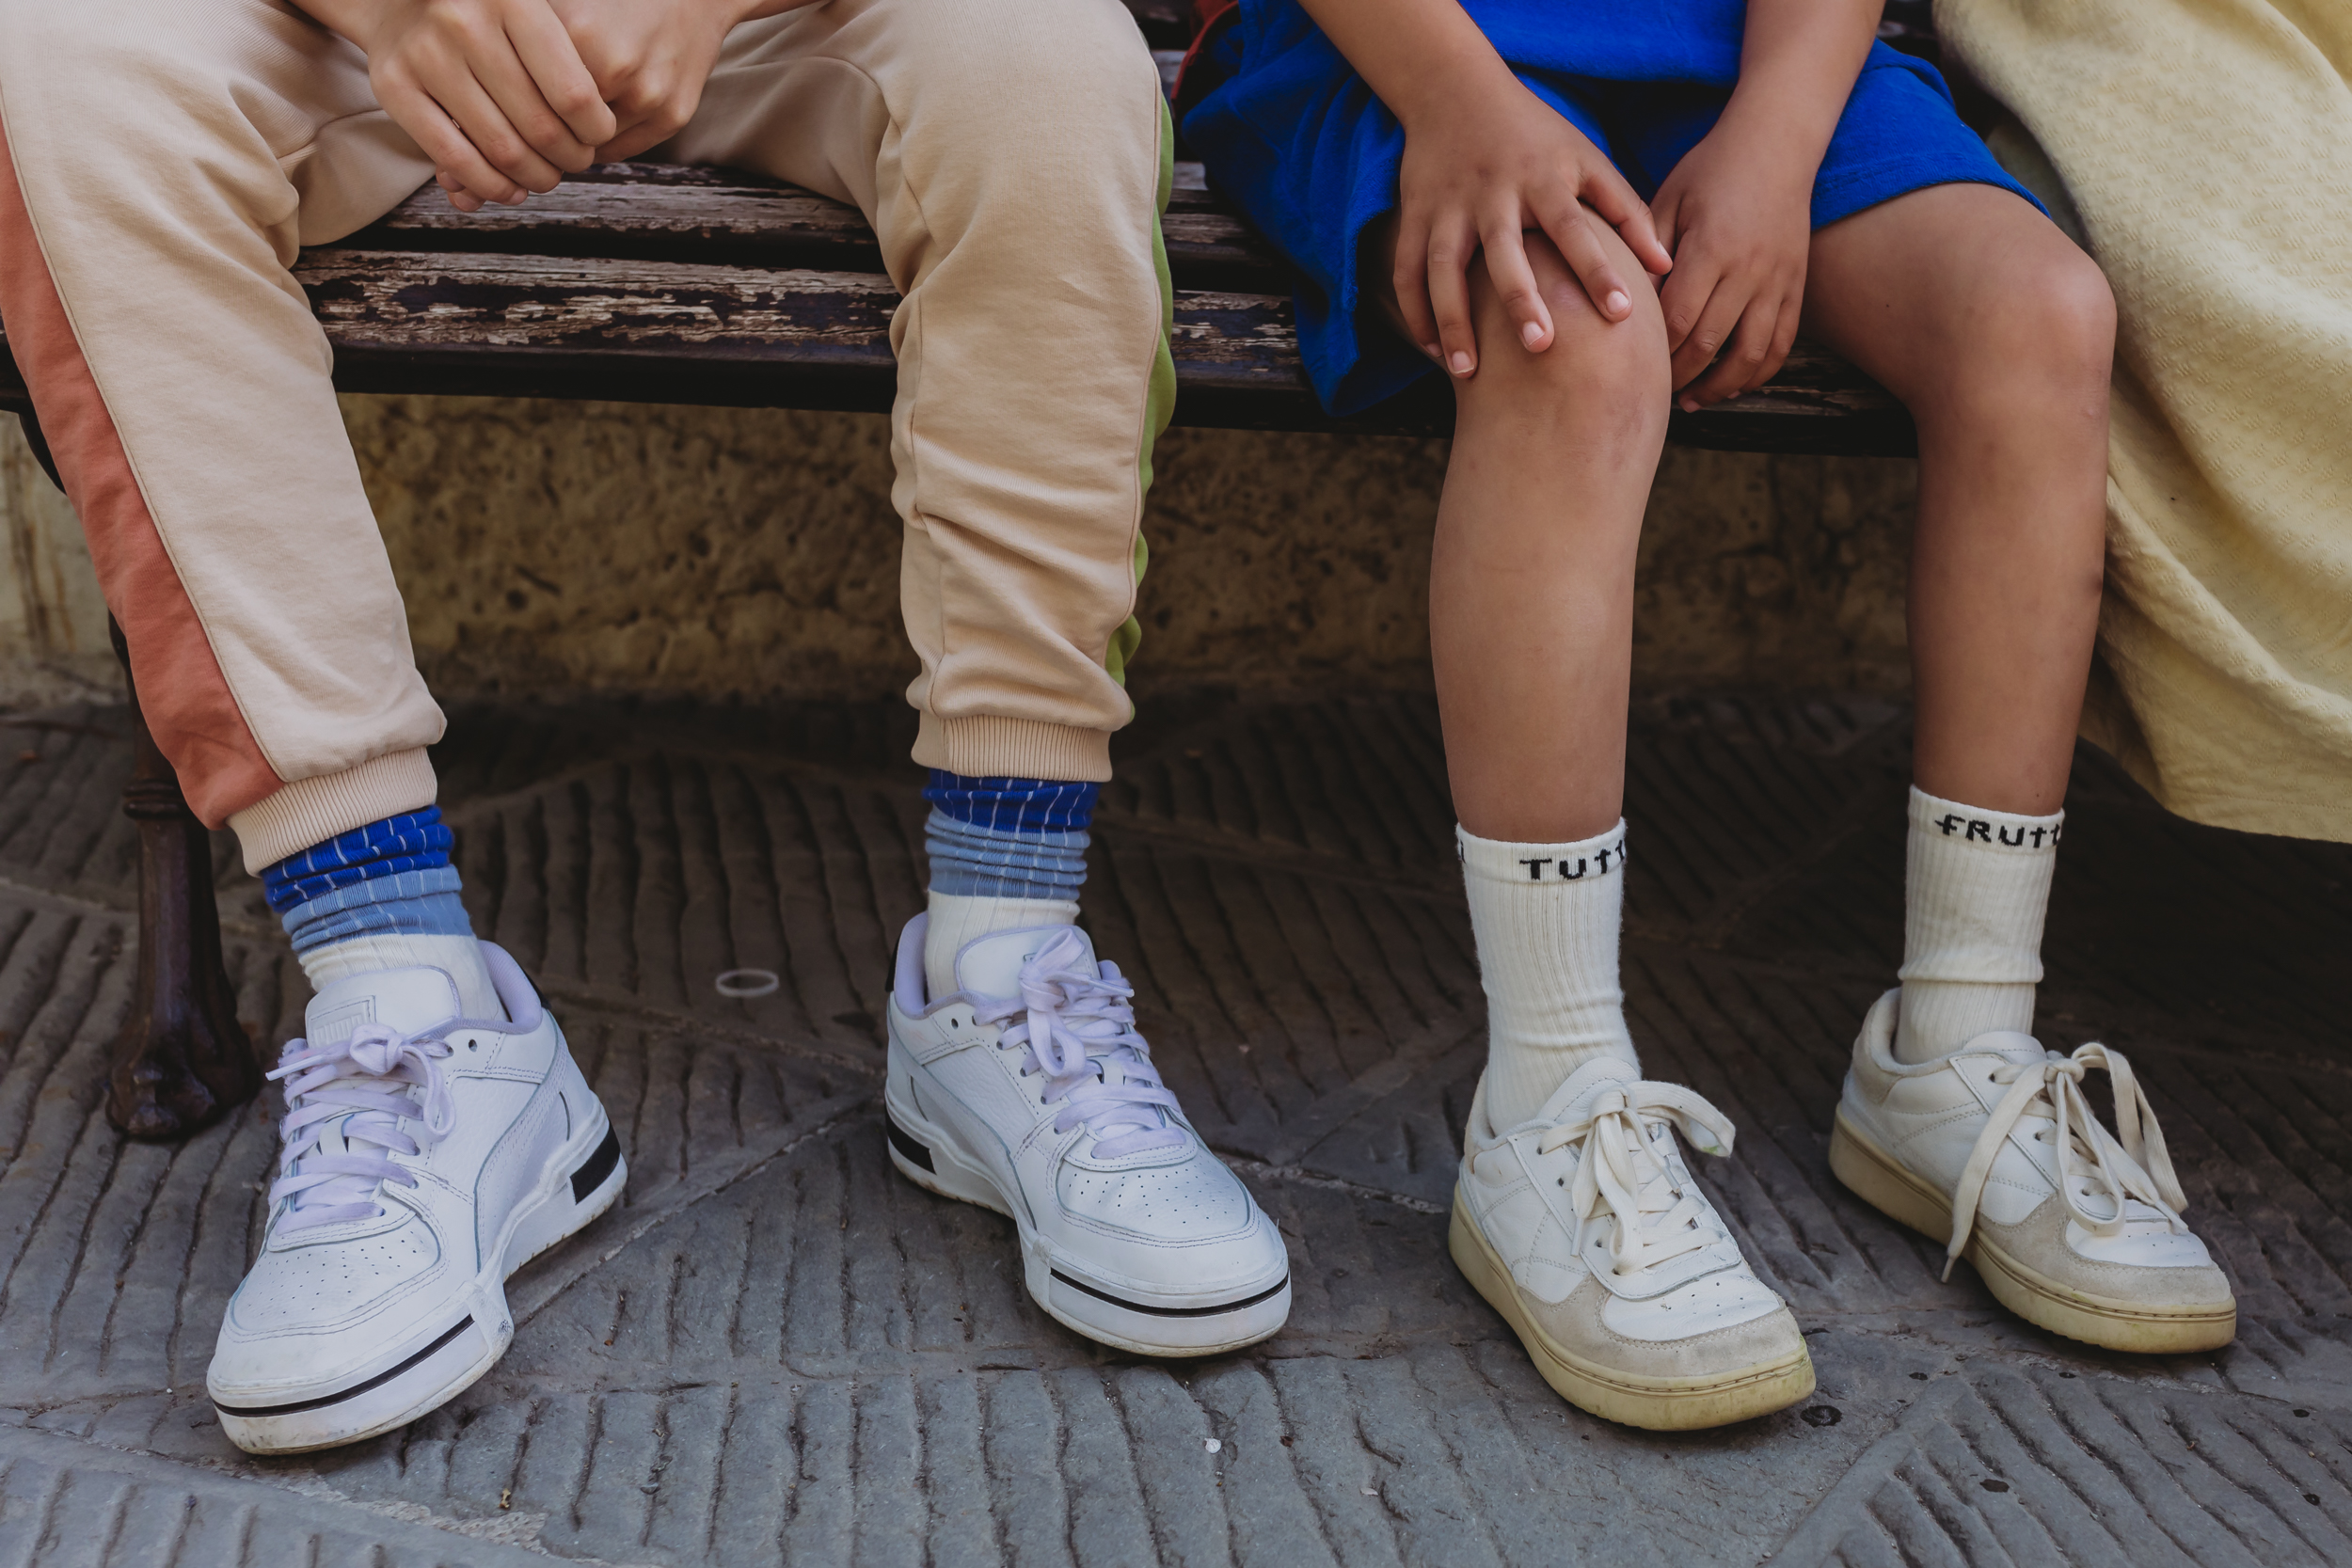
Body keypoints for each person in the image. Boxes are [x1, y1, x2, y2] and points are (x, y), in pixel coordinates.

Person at [0, 0, 1287, 1455]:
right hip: (354, 36)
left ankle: (1004, 969)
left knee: (1049, 56)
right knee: (66, 61)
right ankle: (404, 1004)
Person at [1183, 0, 2233, 1431]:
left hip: (1751, 58)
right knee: (1577, 335)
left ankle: (1957, 1048)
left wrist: (1778, 141)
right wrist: (1458, 97)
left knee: (2039, 316)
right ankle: (1550, 1100)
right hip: (1406, 56)